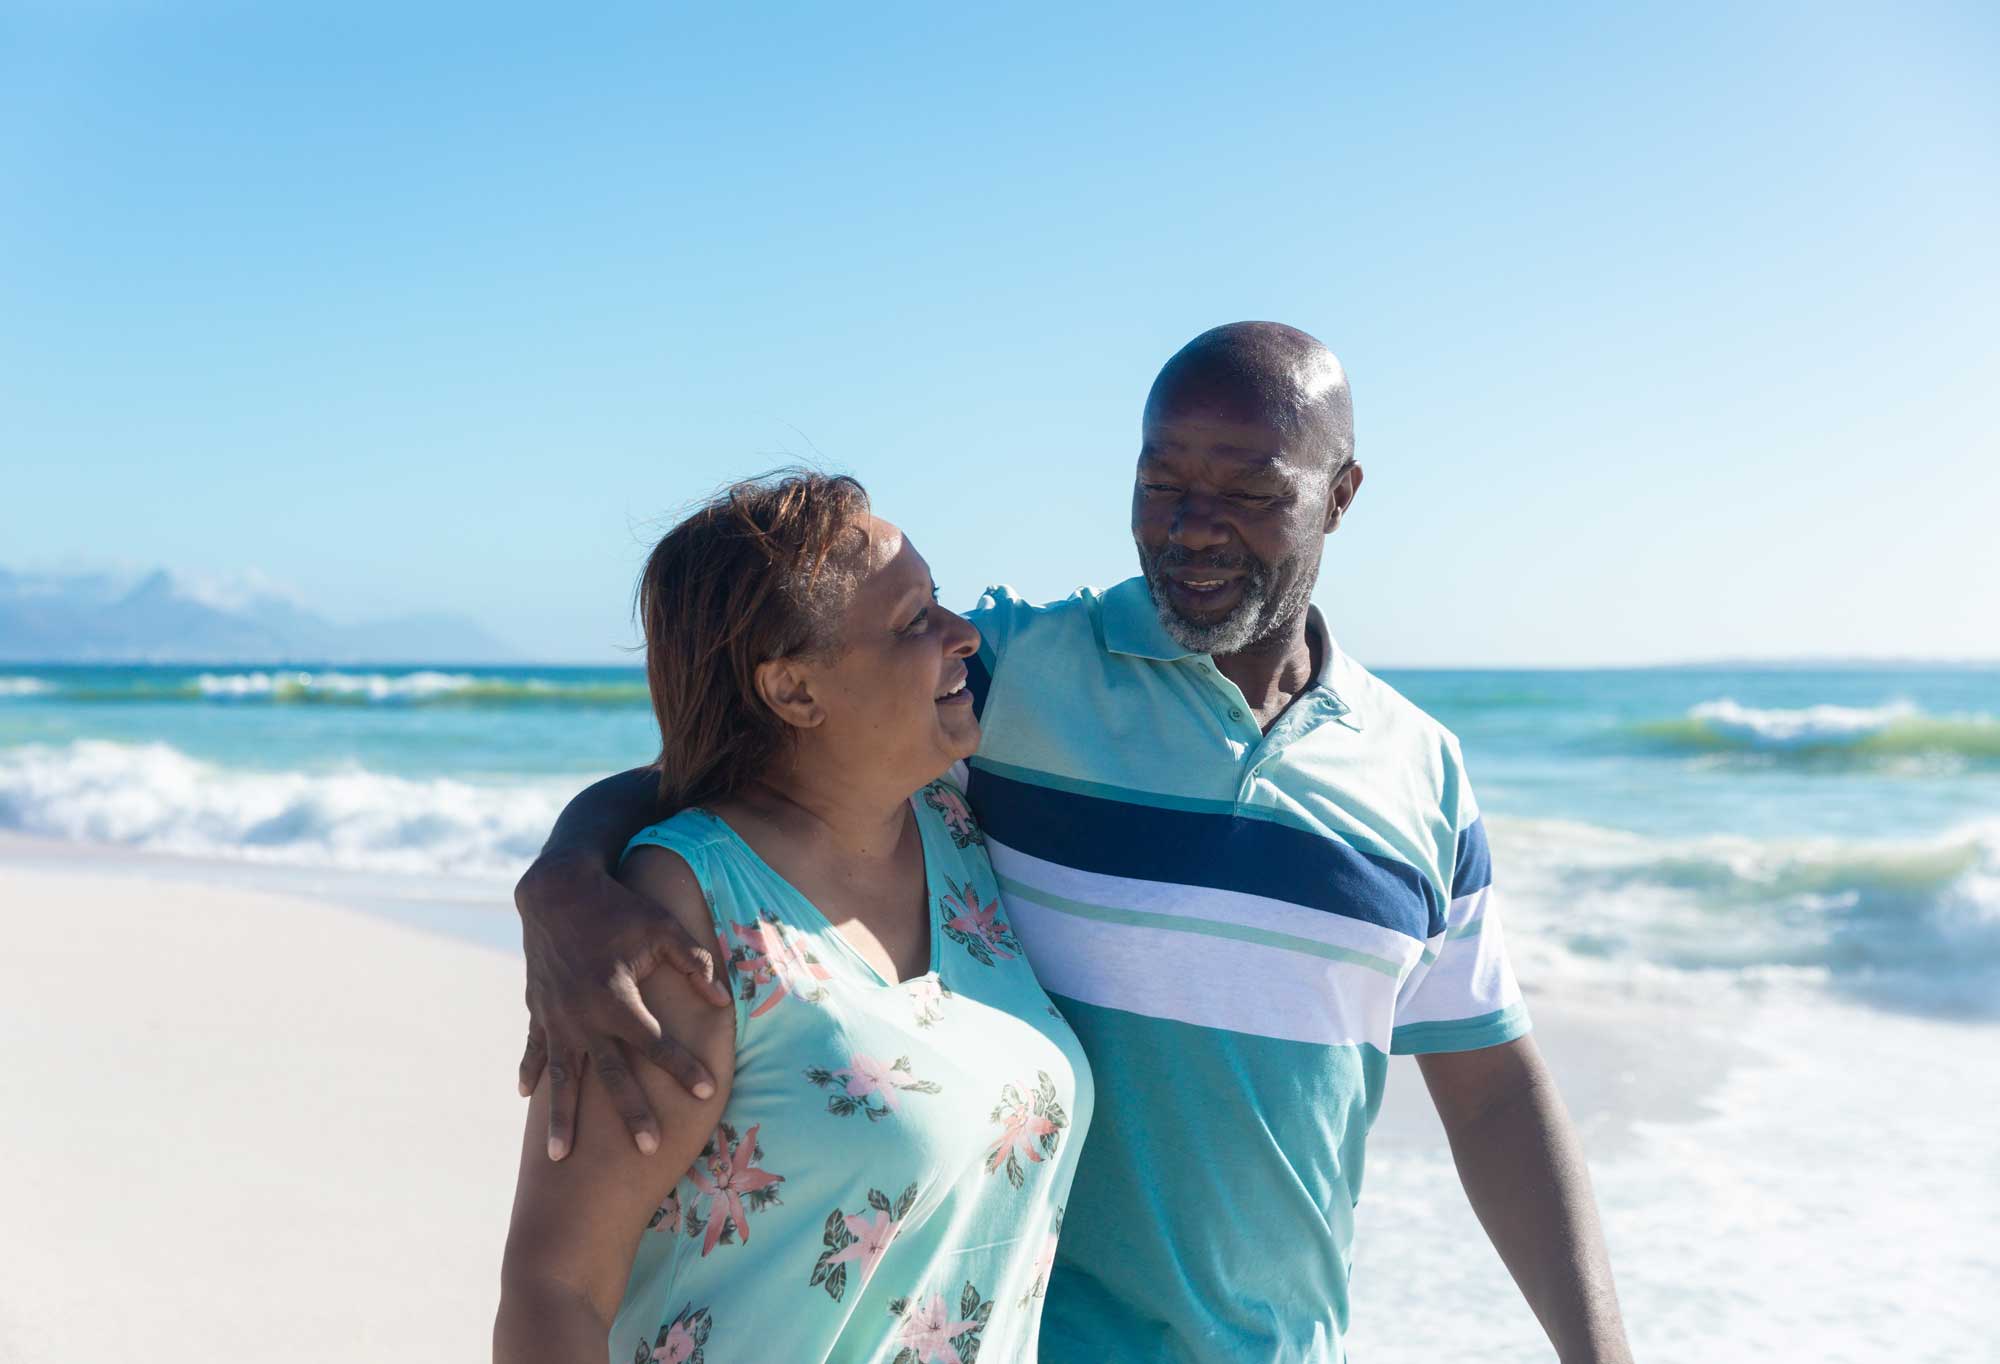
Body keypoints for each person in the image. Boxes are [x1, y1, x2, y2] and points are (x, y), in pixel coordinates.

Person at [514, 323, 1633, 1363]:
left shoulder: (1421, 773)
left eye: (1246, 490)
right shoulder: (1011, 679)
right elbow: (758, 762)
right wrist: (565, 876)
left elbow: (1490, 1091)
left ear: (1338, 496)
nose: (1192, 526)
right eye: (1160, 482)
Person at [495, 473, 1092, 1363]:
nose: (962, 635)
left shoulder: (959, 831)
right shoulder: (678, 917)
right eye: (912, 620)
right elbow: (556, 1289)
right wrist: (570, 875)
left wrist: (560, 865)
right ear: (794, 692)